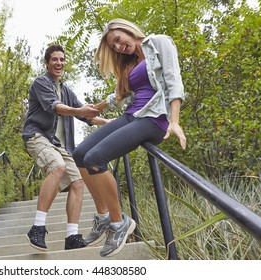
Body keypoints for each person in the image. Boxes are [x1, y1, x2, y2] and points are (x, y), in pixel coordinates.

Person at [72, 18, 187, 257]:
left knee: (96, 158)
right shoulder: (131, 62)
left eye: (117, 40)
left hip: (154, 119)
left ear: (127, 30)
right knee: (80, 154)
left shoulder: (159, 42)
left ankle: (119, 222)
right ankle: (103, 216)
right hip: (133, 115)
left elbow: (173, 80)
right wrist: (100, 107)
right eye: (113, 46)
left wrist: (174, 120)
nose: (118, 47)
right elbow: (121, 95)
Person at [22, 44, 110, 251]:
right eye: (54, 59)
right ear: (47, 63)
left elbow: (86, 115)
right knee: (58, 167)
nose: (59, 63)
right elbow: (57, 108)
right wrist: (80, 109)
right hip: (37, 136)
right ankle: (37, 227)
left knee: (78, 183)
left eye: (62, 59)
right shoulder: (41, 83)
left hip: (58, 145)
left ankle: (71, 236)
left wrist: (109, 121)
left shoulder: (67, 91)